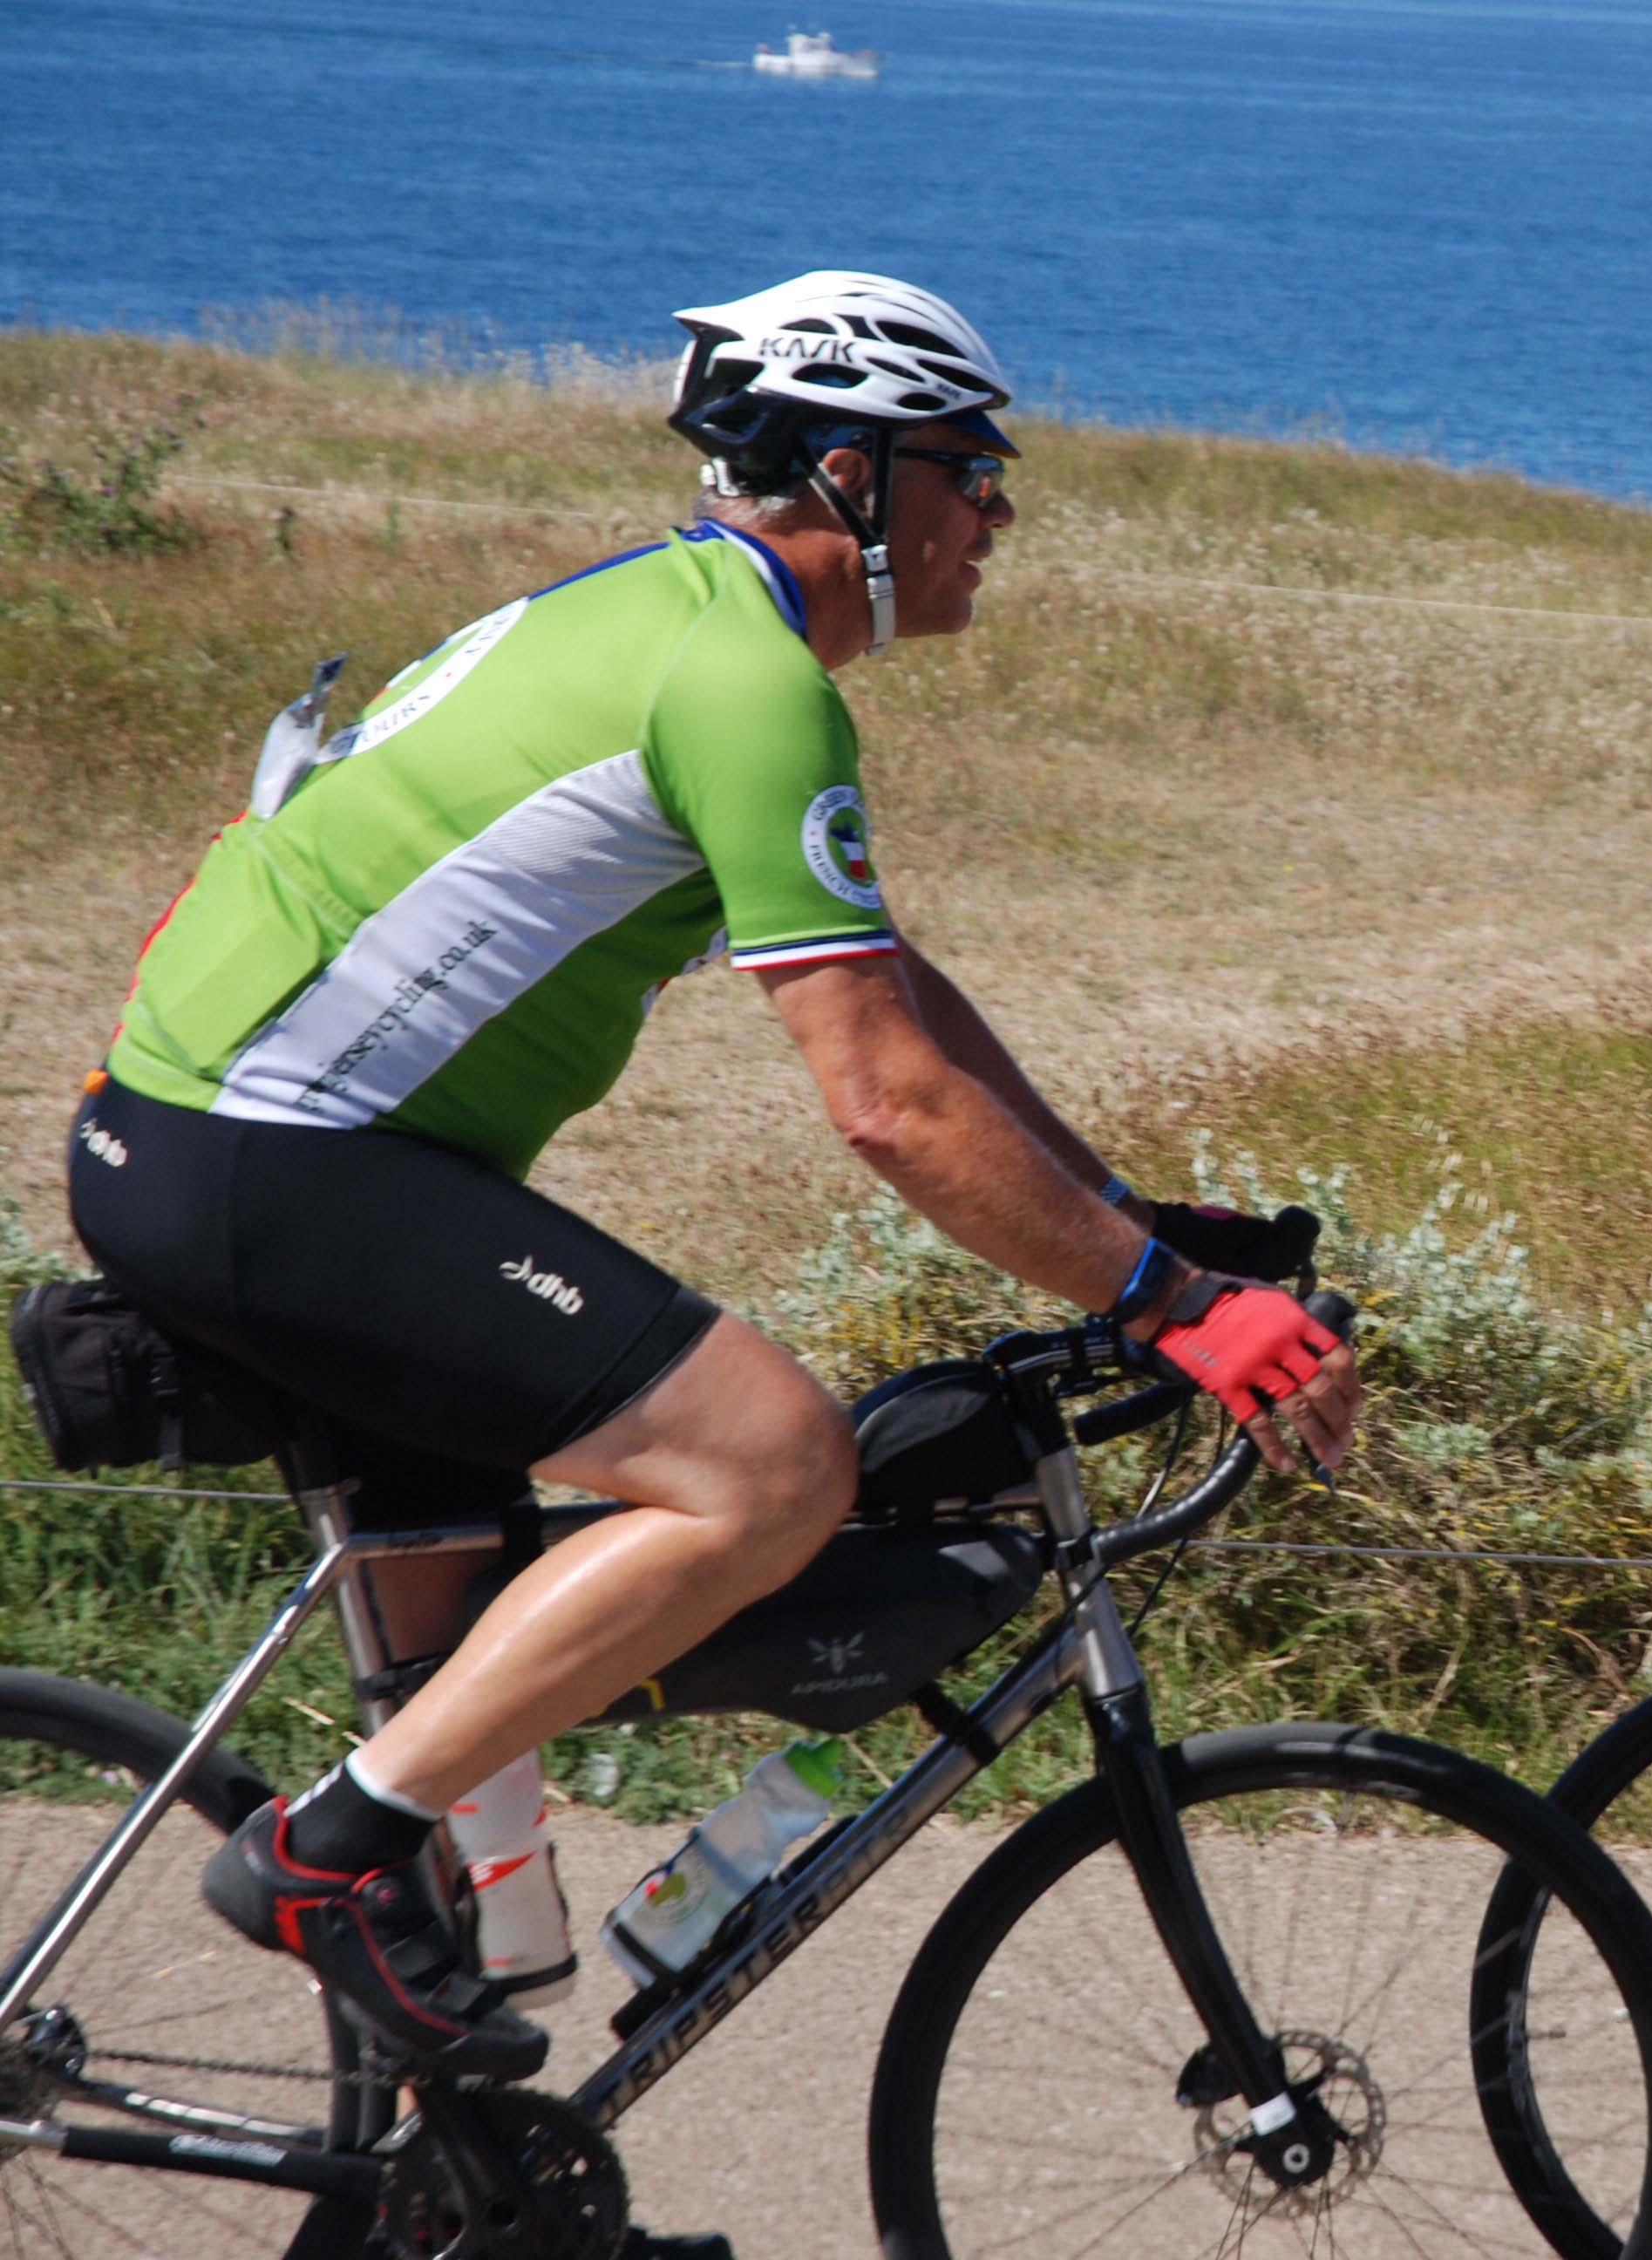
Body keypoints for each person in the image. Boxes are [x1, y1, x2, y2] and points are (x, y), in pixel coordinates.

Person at [66, 272, 1361, 2092]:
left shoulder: (646, 612)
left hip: (208, 1144)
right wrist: (1165, 1310)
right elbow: (890, 1106)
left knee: (491, 1908)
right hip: (276, 1168)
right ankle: (320, 1857)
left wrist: (1130, 1228)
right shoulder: (747, 685)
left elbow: (903, 996)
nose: (997, 512)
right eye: (970, 470)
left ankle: (463, 2175)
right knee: (766, 1464)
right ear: (852, 477)